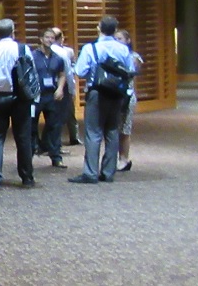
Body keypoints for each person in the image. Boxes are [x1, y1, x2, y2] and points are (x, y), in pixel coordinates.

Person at [69, 16, 136, 184]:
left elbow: (80, 71)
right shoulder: (123, 49)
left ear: (99, 28)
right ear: (115, 30)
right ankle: (108, 172)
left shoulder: (91, 48)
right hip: (117, 93)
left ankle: (90, 173)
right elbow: (130, 71)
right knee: (112, 130)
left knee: (93, 132)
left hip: (97, 93)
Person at [0, 18, 35, 191]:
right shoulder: (22, 48)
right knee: (23, 137)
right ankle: (26, 177)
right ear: (13, 31)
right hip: (20, 98)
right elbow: (31, 73)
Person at [31, 28, 67, 169]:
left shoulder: (57, 58)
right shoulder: (33, 56)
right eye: (47, 37)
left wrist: (60, 88)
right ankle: (31, 152)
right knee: (32, 125)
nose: (50, 40)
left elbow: (62, 74)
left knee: (54, 126)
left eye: (52, 38)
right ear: (41, 39)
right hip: (36, 96)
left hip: (51, 95)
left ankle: (56, 157)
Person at [114, 29, 143, 172]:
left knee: (125, 129)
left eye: (120, 39)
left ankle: (123, 158)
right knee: (112, 128)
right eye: (115, 39)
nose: (117, 41)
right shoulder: (110, 54)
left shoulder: (133, 56)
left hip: (127, 96)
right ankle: (110, 158)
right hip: (112, 95)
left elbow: (134, 69)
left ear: (127, 41)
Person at [51, 27, 81, 146]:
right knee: (55, 115)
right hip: (54, 85)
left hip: (64, 85)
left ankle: (74, 137)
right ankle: (55, 142)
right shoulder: (48, 51)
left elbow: (70, 69)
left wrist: (72, 89)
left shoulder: (68, 51)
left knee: (70, 112)